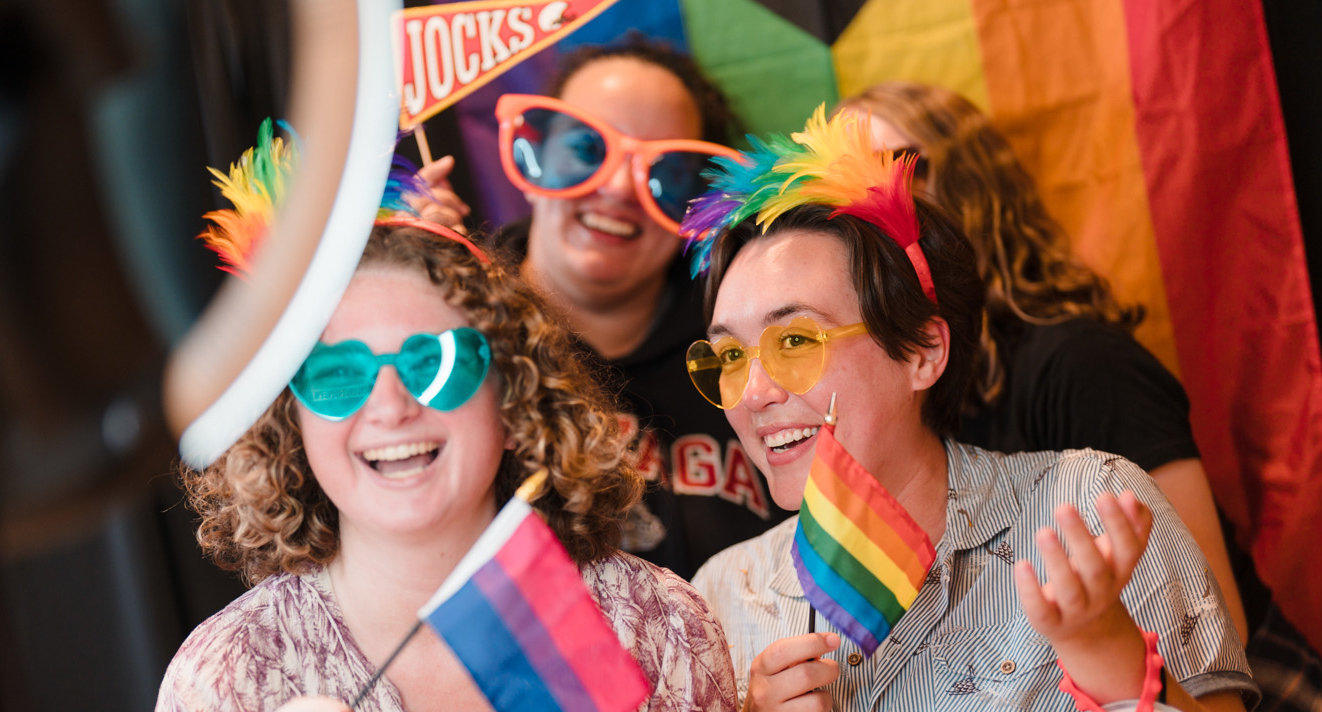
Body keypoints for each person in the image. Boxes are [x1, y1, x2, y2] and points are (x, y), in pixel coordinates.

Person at [686, 108, 1256, 710]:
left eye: (796, 341)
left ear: (923, 353)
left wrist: (1108, 651)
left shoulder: (1085, 507)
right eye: (728, 356)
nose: (753, 394)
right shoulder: (721, 597)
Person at [156, 220, 738, 710]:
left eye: (435, 363)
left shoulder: (659, 627)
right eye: (338, 375)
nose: (391, 407)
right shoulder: (228, 678)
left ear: (514, 402)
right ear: (291, 428)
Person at [836, 82, 1254, 645]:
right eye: (836, 184)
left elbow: (1216, 624)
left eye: (894, 170)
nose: (868, 205)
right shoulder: (882, 393)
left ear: (972, 187)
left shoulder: (1082, 364)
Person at [420, 35, 793, 578]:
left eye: (663, 171)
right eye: (587, 150)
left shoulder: (750, 354)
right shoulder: (450, 335)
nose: (619, 189)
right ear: (534, 157)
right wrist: (407, 291)